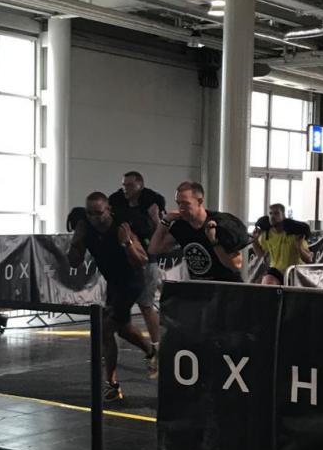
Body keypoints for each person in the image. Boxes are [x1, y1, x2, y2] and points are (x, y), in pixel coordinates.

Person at [68, 192, 157, 403]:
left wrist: (127, 244)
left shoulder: (121, 227)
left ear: (108, 210)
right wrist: (77, 240)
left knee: (105, 329)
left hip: (132, 282)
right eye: (90, 213)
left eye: (99, 213)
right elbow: (73, 262)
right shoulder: (86, 228)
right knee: (123, 329)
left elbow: (141, 261)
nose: (94, 218)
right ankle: (151, 351)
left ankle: (112, 384)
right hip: (114, 284)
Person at [109, 171, 166, 347]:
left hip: (146, 259)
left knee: (146, 305)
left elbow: (160, 231)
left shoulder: (152, 203)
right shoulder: (118, 203)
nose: (126, 189)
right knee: (115, 305)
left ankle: (157, 345)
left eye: (130, 185)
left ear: (140, 185)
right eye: (124, 185)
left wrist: (155, 218)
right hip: (124, 260)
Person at [149, 181, 248, 281]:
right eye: (178, 203)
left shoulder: (220, 224)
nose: (181, 208)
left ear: (200, 201)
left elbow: (236, 265)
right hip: (199, 286)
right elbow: (154, 249)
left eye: (186, 203)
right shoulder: (181, 226)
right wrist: (166, 221)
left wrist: (214, 241)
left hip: (225, 286)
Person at [252, 203, 313, 286]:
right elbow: (261, 254)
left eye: (276, 213)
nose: (272, 216)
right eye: (270, 213)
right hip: (276, 271)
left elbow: (309, 259)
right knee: (267, 283)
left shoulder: (294, 234)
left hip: (295, 272)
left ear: (283, 216)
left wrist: (299, 247)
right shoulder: (266, 234)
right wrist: (254, 241)